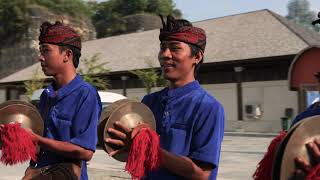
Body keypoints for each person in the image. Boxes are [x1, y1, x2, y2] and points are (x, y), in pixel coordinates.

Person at [106, 15, 225, 180]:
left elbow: (201, 173)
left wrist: (151, 149)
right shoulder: (149, 102)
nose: (165, 54)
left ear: (197, 57)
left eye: (175, 48)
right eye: (162, 48)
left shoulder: (208, 107)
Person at [23, 21, 102, 180]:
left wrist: (36, 139)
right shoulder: (46, 95)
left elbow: (85, 152)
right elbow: (39, 143)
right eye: (40, 51)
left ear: (67, 55)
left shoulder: (85, 94)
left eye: (46, 50)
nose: (40, 57)